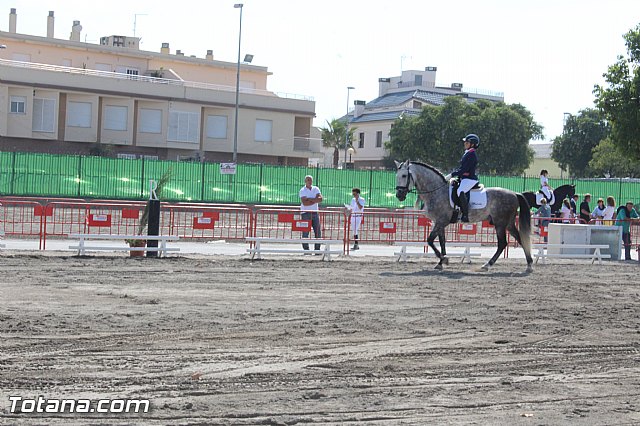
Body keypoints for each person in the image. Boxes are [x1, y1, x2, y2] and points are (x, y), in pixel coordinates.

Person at [450, 133, 480, 223]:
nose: (465, 144)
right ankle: (456, 211)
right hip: (464, 178)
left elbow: (464, 169)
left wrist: (452, 174)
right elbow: (461, 169)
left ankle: (465, 215)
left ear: (472, 144)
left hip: (470, 179)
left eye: (467, 143)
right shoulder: (467, 153)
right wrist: (457, 177)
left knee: (460, 191)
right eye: (465, 142)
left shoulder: (472, 155)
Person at [299, 175, 323, 253]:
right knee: (305, 232)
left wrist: (309, 199)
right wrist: (314, 200)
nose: (310, 181)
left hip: (315, 213)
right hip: (305, 213)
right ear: (305, 181)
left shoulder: (316, 189)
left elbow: (320, 199)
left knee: (318, 232)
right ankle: (306, 250)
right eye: (308, 180)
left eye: (311, 180)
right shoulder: (302, 190)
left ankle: (317, 250)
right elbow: (305, 203)